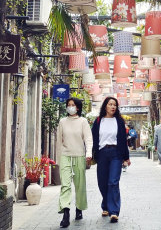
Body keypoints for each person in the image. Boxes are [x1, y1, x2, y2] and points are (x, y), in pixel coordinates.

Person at [91, 97, 131, 223]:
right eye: (110, 104)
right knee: (102, 182)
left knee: (113, 181)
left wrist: (126, 157)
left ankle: (114, 211)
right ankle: (106, 205)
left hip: (116, 154)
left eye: (115, 105)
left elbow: (123, 140)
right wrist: (90, 154)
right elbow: (92, 138)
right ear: (105, 106)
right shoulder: (98, 121)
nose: (113, 107)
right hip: (102, 153)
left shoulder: (119, 121)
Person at [57, 98, 93, 228]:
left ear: (78, 107)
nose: (70, 107)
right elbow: (59, 141)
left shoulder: (83, 121)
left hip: (79, 156)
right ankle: (65, 213)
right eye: (68, 105)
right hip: (65, 156)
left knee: (80, 185)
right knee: (65, 185)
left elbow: (88, 139)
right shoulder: (62, 122)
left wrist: (88, 153)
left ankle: (79, 208)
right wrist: (58, 159)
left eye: (73, 105)